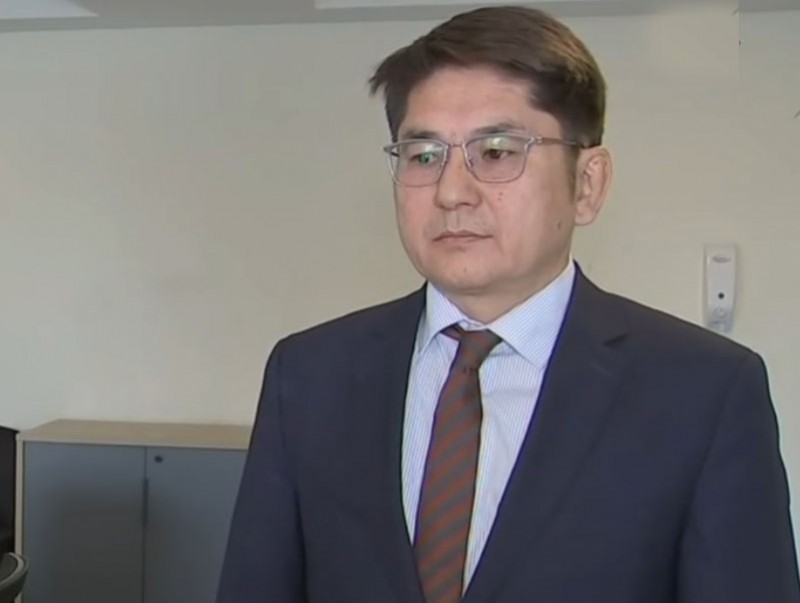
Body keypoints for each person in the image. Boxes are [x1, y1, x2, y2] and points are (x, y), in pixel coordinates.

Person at [216, 6, 800, 603]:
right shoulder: (310, 375)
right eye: (424, 155)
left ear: (587, 183)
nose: (451, 192)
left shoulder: (703, 392)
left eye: (496, 151)